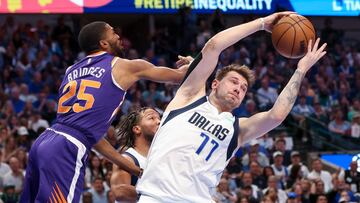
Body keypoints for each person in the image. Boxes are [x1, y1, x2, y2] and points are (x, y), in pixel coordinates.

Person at [136, 11, 327, 202]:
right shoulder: (190, 97)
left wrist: (301, 70)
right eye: (234, 82)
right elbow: (213, 47)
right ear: (215, 84)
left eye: (243, 88)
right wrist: (261, 23)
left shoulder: (238, 129)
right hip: (155, 197)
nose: (238, 89)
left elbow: (276, 115)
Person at [20, 21, 189, 203]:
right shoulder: (123, 66)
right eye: (112, 32)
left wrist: (137, 171)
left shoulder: (71, 70)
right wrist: (194, 62)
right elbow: (180, 76)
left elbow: (95, 140)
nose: (118, 35)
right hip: (67, 147)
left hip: (45, 141)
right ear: (104, 43)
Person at [110, 107, 160, 202]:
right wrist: (159, 192)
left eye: (159, 118)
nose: (159, 122)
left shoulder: (158, 157)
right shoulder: (128, 159)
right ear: (137, 129)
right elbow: (120, 192)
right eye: (151, 118)